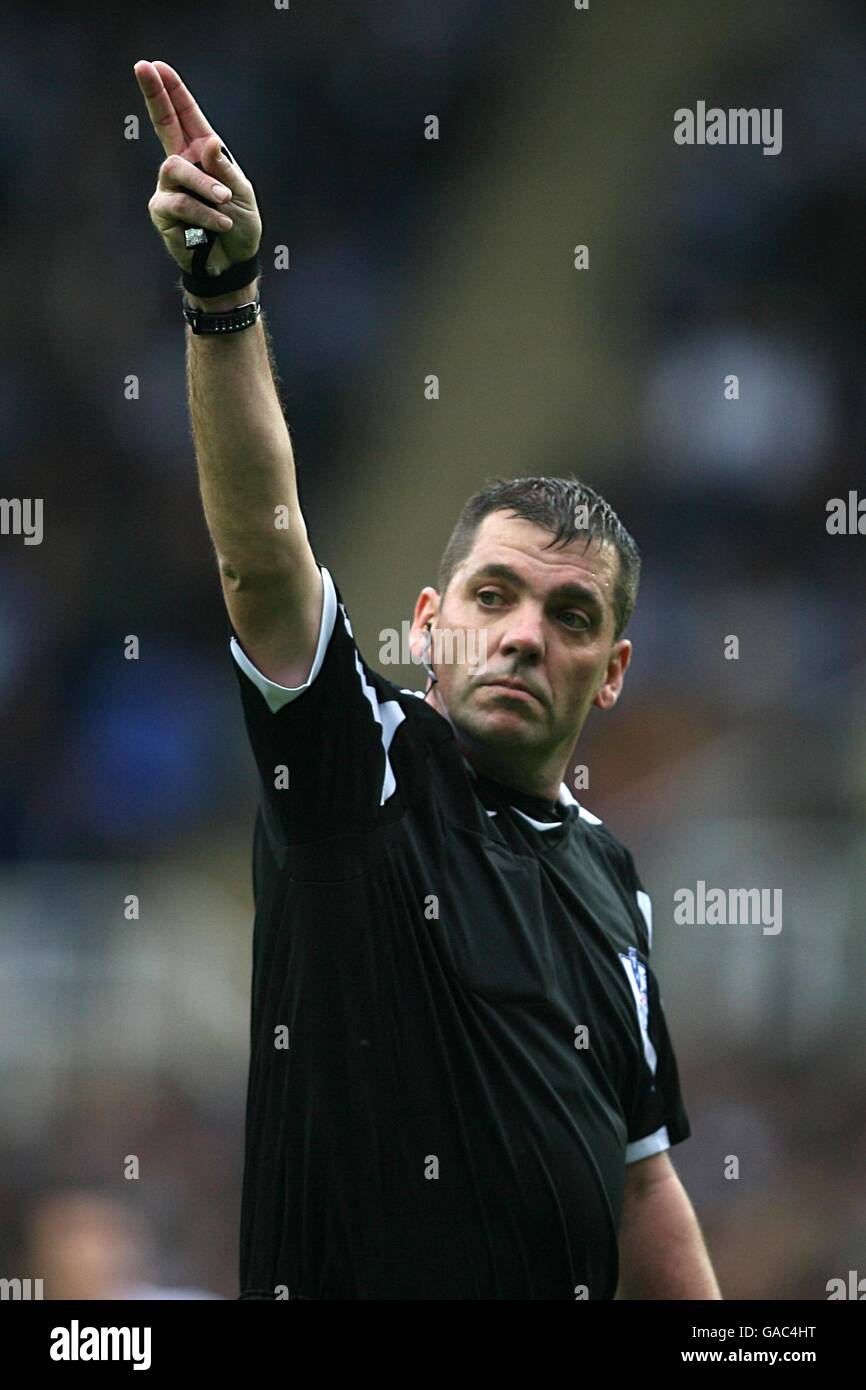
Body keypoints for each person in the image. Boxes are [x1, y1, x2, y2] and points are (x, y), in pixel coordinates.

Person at [134, 58, 721, 1301]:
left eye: (568, 616)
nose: (520, 636)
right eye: (491, 597)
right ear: (426, 623)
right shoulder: (361, 766)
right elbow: (262, 559)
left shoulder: (611, 884)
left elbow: (641, 1182)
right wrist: (225, 297)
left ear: (609, 672)